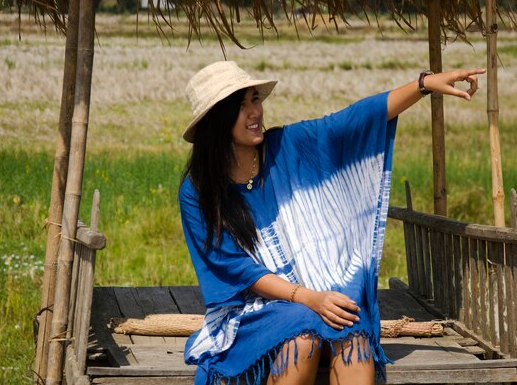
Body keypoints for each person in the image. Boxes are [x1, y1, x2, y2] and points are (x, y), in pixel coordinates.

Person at [179, 61, 484, 385]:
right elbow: (240, 271)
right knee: (304, 335)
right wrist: (308, 298)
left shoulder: (287, 146)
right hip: (250, 310)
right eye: (240, 106)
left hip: (315, 288)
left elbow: (348, 124)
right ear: (216, 121)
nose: (254, 112)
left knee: (353, 327)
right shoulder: (198, 191)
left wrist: (422, 85)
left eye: (255, 99)